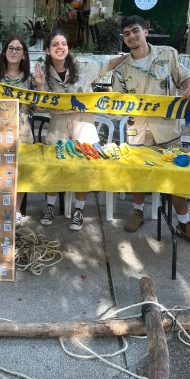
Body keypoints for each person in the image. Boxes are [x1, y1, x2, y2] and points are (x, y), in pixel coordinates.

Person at [113, 15, 190, 249]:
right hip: (139, 131)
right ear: (124, 39)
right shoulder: (121, 69)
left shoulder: (168, 54)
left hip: (168, 130)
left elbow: (185, 78)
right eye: (126, 34)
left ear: (146, 31)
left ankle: (184, 224)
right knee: (137, 175)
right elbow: (116, 100)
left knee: (177, 176)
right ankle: (138, 212)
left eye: (135, 30)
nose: (131, 36)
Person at [34, 29, 123, 230]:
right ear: (47, 50)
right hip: (57, 123)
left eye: (63, 43)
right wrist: (40, 86)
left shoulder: (83, 66)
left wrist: (129, 55)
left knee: (84, 166)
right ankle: (49, 206)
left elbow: (107, 64)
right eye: (55, 44)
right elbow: (40, 106)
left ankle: (79, 210)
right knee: (54, 165)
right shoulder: (43, 72)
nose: (60, 47)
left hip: (83, 122)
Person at [0, 35, 35, 227]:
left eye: (18, 49)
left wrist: (43, 86)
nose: (14, 52)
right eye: (10, 48)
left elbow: (41, 107)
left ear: (24, 55)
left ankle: (17, 210)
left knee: (19, 174)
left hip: (22, 133)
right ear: (4, 52)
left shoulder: (30, 79)